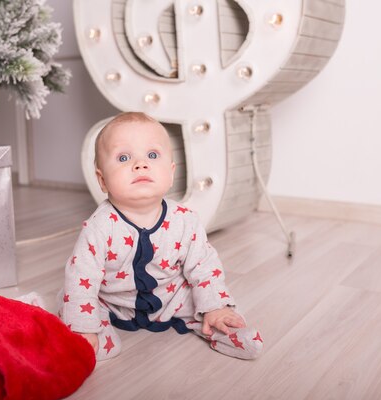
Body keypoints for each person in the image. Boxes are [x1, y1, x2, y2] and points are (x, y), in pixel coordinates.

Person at [59, 112, 263, 361]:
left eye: (152, 155)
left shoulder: (185, 220)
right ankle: (81, 337)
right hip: (113, 303)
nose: (140, 164)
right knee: (83, 317)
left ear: (171, 172)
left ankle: (220, 325)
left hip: (171, 298)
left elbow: (204, 267)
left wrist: (214, 306)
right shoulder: (98, 227)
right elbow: (82, 277)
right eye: (124, 157)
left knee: (205, 300)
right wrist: (84, 326)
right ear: (102, 180)